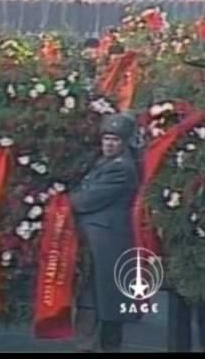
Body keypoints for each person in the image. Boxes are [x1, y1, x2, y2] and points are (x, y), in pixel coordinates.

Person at [70, 113, 140, 353]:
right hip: (97, 241)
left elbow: (86, 200)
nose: (109, 144)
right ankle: (89, 346)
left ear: (125, 142)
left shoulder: (121, 169)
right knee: (95, 300)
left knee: (103, 302)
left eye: (115, 140)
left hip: (108, 244)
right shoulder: (102, 162)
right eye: (106, 139)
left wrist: (57, 202)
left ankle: (94, 346)